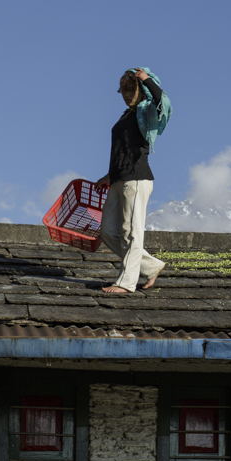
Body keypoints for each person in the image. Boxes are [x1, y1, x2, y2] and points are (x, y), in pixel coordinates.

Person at [96, 68, 167, 293]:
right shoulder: (126, 115)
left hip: (136, 179)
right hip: (118, 179)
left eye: (131, 89)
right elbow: (122, 150)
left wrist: (147, 79)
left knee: (131, 232)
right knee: (107, 231)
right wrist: (108, 176)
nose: (126, 94)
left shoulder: (147, 113)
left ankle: (126, 283)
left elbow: (163, 104)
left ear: (142, 89)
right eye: (123, 90)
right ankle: (152, 266)